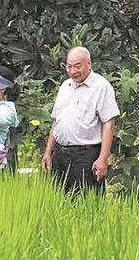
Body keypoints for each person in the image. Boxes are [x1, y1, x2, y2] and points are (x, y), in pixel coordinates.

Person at [41, 47, 120, 194]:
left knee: (87, 203)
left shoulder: (101, 87)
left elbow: (109, 124)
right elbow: (57, 122)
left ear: (89, 64)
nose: (72, 71)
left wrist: (103, 158)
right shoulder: (65, 86)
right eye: (69, 66)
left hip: (86, 156)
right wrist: (48, 152)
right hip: (60, 154)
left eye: (78, 66)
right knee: (59, 202)